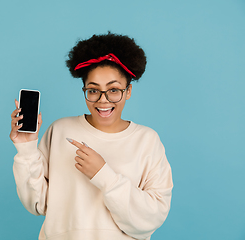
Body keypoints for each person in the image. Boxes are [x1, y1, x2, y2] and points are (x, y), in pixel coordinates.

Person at [10, 32, 173, 240]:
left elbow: (151, 218)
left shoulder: (147, 140)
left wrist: (104, 175)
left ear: (128, 90)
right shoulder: (60, 130)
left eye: (114, 90)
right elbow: (36, 203)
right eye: (93, 90)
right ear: (84, 90)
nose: (103, 100)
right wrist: (26, 149)